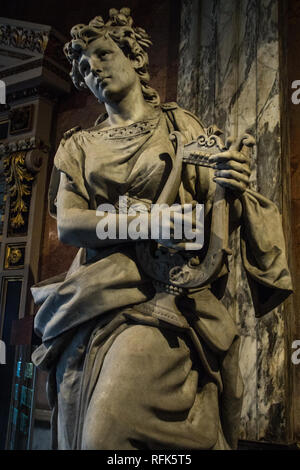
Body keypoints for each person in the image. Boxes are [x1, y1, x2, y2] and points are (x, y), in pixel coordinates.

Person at [31, 8, 293, 450]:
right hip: (94, 295)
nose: (93, 67)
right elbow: (72, 224)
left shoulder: (181, 128)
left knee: (104, 436)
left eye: (102, 53)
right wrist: (148, 220)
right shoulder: (77, 146)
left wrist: (232, 180)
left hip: (164, 296)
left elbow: (216, 209)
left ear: (134, 59)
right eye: (83, 66)